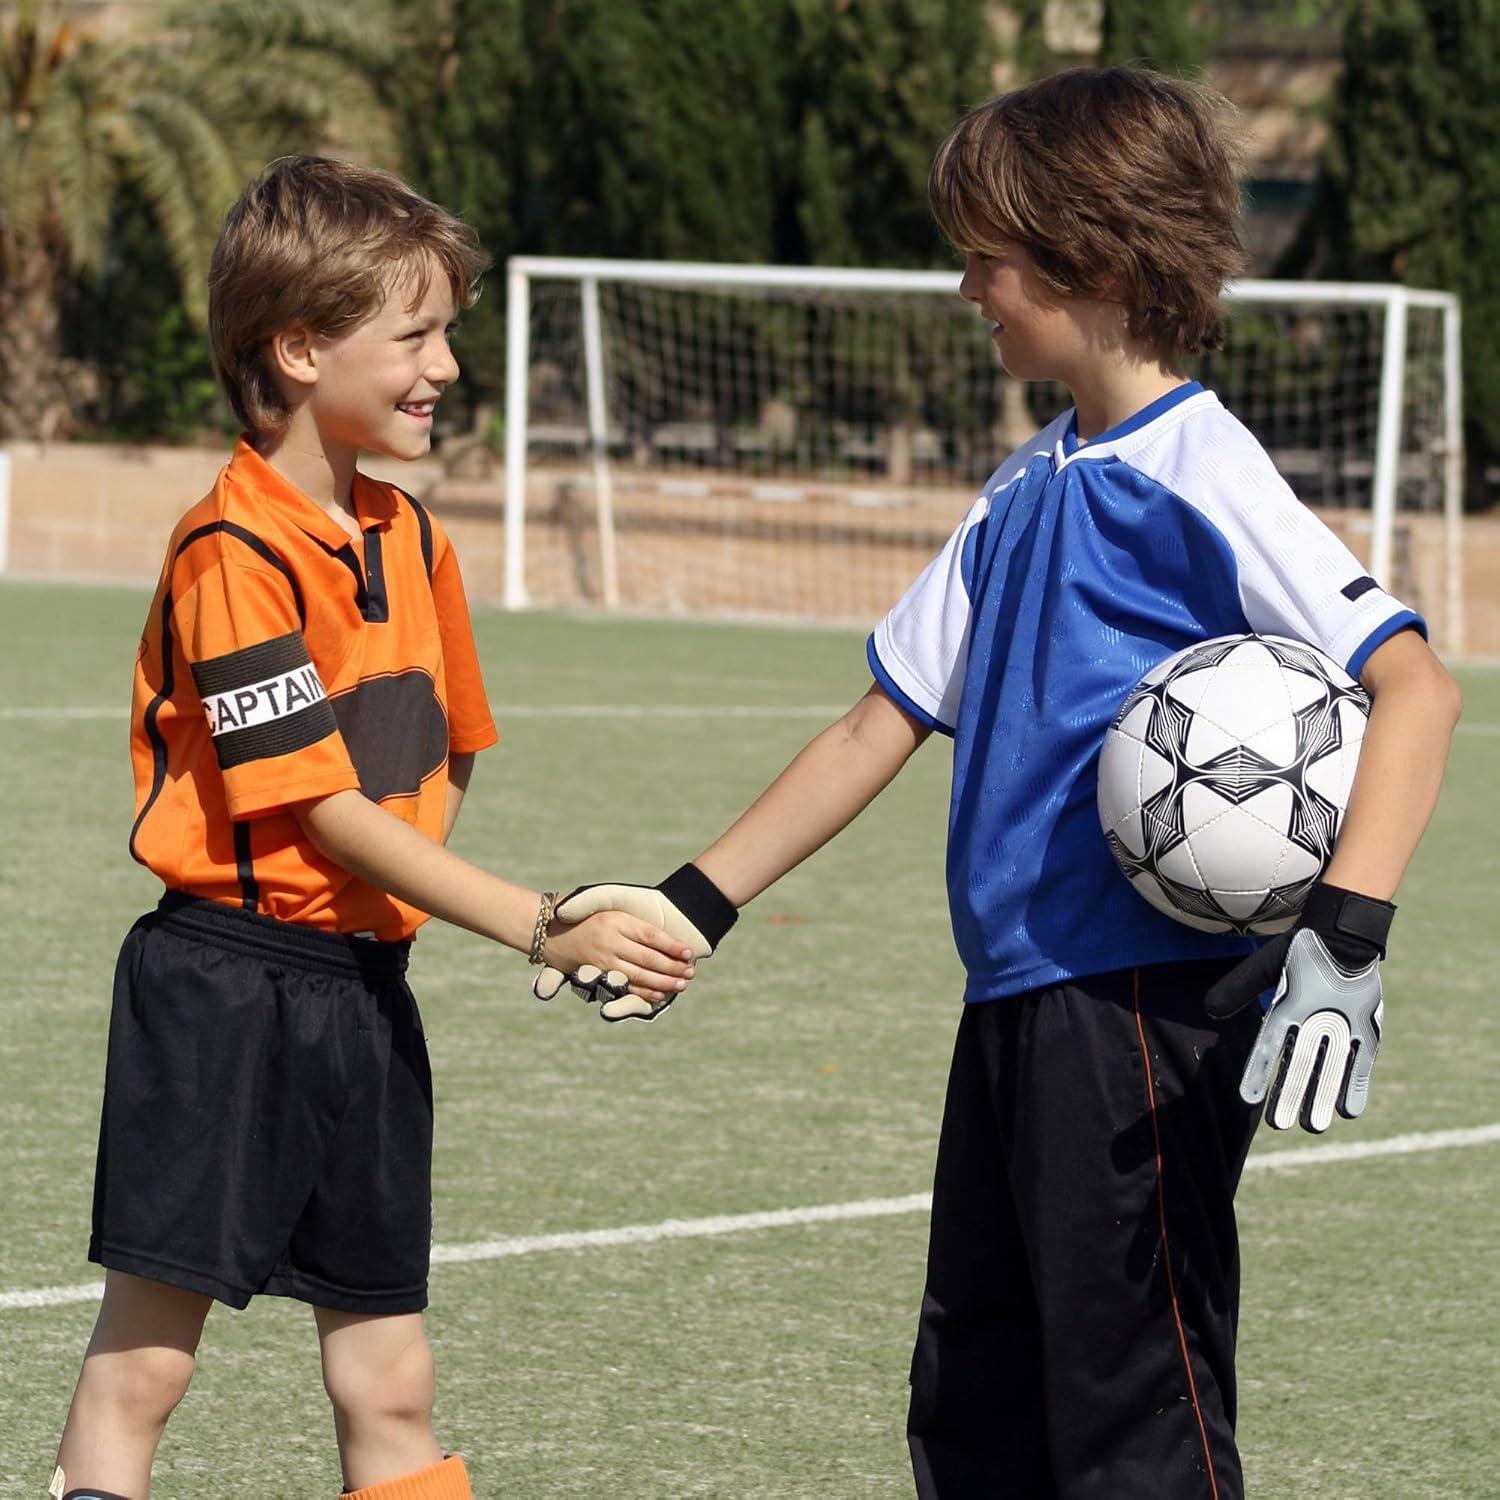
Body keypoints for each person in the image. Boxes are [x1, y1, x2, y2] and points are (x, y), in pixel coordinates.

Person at [534, 68, 1462, 1499]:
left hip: (1147, 1005)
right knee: (974, 1396)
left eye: (989, 255)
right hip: (1022, 997)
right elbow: (878, 726)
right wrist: (691, 904)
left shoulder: (1200, 467)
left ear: (1091, 260)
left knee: (1130, 1405)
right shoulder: (1026, 484)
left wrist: (1346, 938)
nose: (966, 286)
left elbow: (1415, 683)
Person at [50, 155, 695, 1500]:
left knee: (390, 1380)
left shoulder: (418, 542)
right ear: (296, 348)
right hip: (221, 990)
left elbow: (442, 752)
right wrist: (542, 920)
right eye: (414, 333)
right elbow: (325, 809)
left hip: (361, 997)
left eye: (447, 332)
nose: (447, 365)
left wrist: (435, 914)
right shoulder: (231, 553)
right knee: (146, 1369)